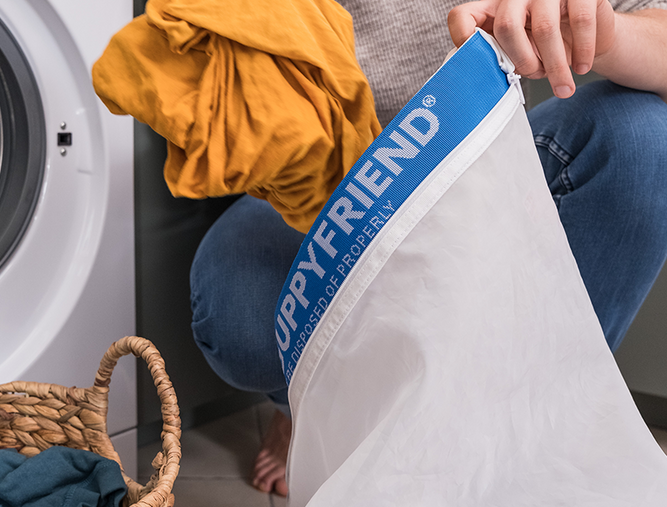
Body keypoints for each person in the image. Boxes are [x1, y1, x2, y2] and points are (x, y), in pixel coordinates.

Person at [189, 0, 667, 497]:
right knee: (240, 315)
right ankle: (313, 414)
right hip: (328, 170)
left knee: (644, 140)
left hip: (482, 144)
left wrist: (601, 35)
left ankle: (529, 426)